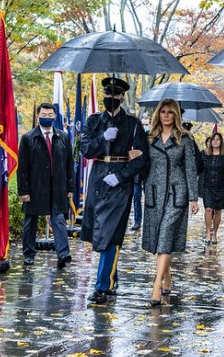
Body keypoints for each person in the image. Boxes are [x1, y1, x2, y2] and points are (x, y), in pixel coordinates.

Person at [81, 77, 148, 304]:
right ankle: (111, 275)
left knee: (111, 233)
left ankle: (103, 287)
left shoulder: (133, 124)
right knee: (98, 233)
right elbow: (85, 150)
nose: (111, 98)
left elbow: (142, 159)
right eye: (108, 93)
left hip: (119, 182)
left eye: (116, 94)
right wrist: (102, 138)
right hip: (98, 177)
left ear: (122, 97)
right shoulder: (93, 122)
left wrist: (120, 175)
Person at [142, 99, 199, 305]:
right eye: (163, 112)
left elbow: (190, 169)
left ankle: (156, 286)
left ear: (176, 115)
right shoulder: (149, 138)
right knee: (158, 237)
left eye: (170, 112)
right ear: (158, 114)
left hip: (177, 193)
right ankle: (167, 276)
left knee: (166, 234)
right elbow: (143, 164)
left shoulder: (184, 138)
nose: (166, 115)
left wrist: (193, 197)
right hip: (155, 192)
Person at [17, 103, 75, 268]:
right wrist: (23, 190)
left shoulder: (63, 137)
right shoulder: (28, 138)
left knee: (59, 220)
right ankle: (28, 254)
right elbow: (22, 167)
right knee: (30, 221)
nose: (47, 117)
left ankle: (63, 254)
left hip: (58, 188)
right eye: (44, 114)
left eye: (50, 114)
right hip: (36, 188)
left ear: (55, 116)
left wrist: (70, 188)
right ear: (38, 116)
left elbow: (69, 164)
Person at [199, 132, 224, 244]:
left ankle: (215, 233)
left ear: (221, 142)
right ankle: (208, 232)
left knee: (218, 211)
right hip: (207, 185)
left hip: (221, 186)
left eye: (218, 139)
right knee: (208, 209)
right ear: (210, 141)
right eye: (213, 139)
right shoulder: (204, 154)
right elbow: (197, 168)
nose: (215, 141)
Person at [131, 116, 151, 231]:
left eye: (146, 123)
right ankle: (137, 221)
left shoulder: (152, 136)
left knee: (149, 198)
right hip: (137, 173)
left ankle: (149, 221)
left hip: (148, 171)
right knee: (136, 197)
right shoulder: (134, 136)